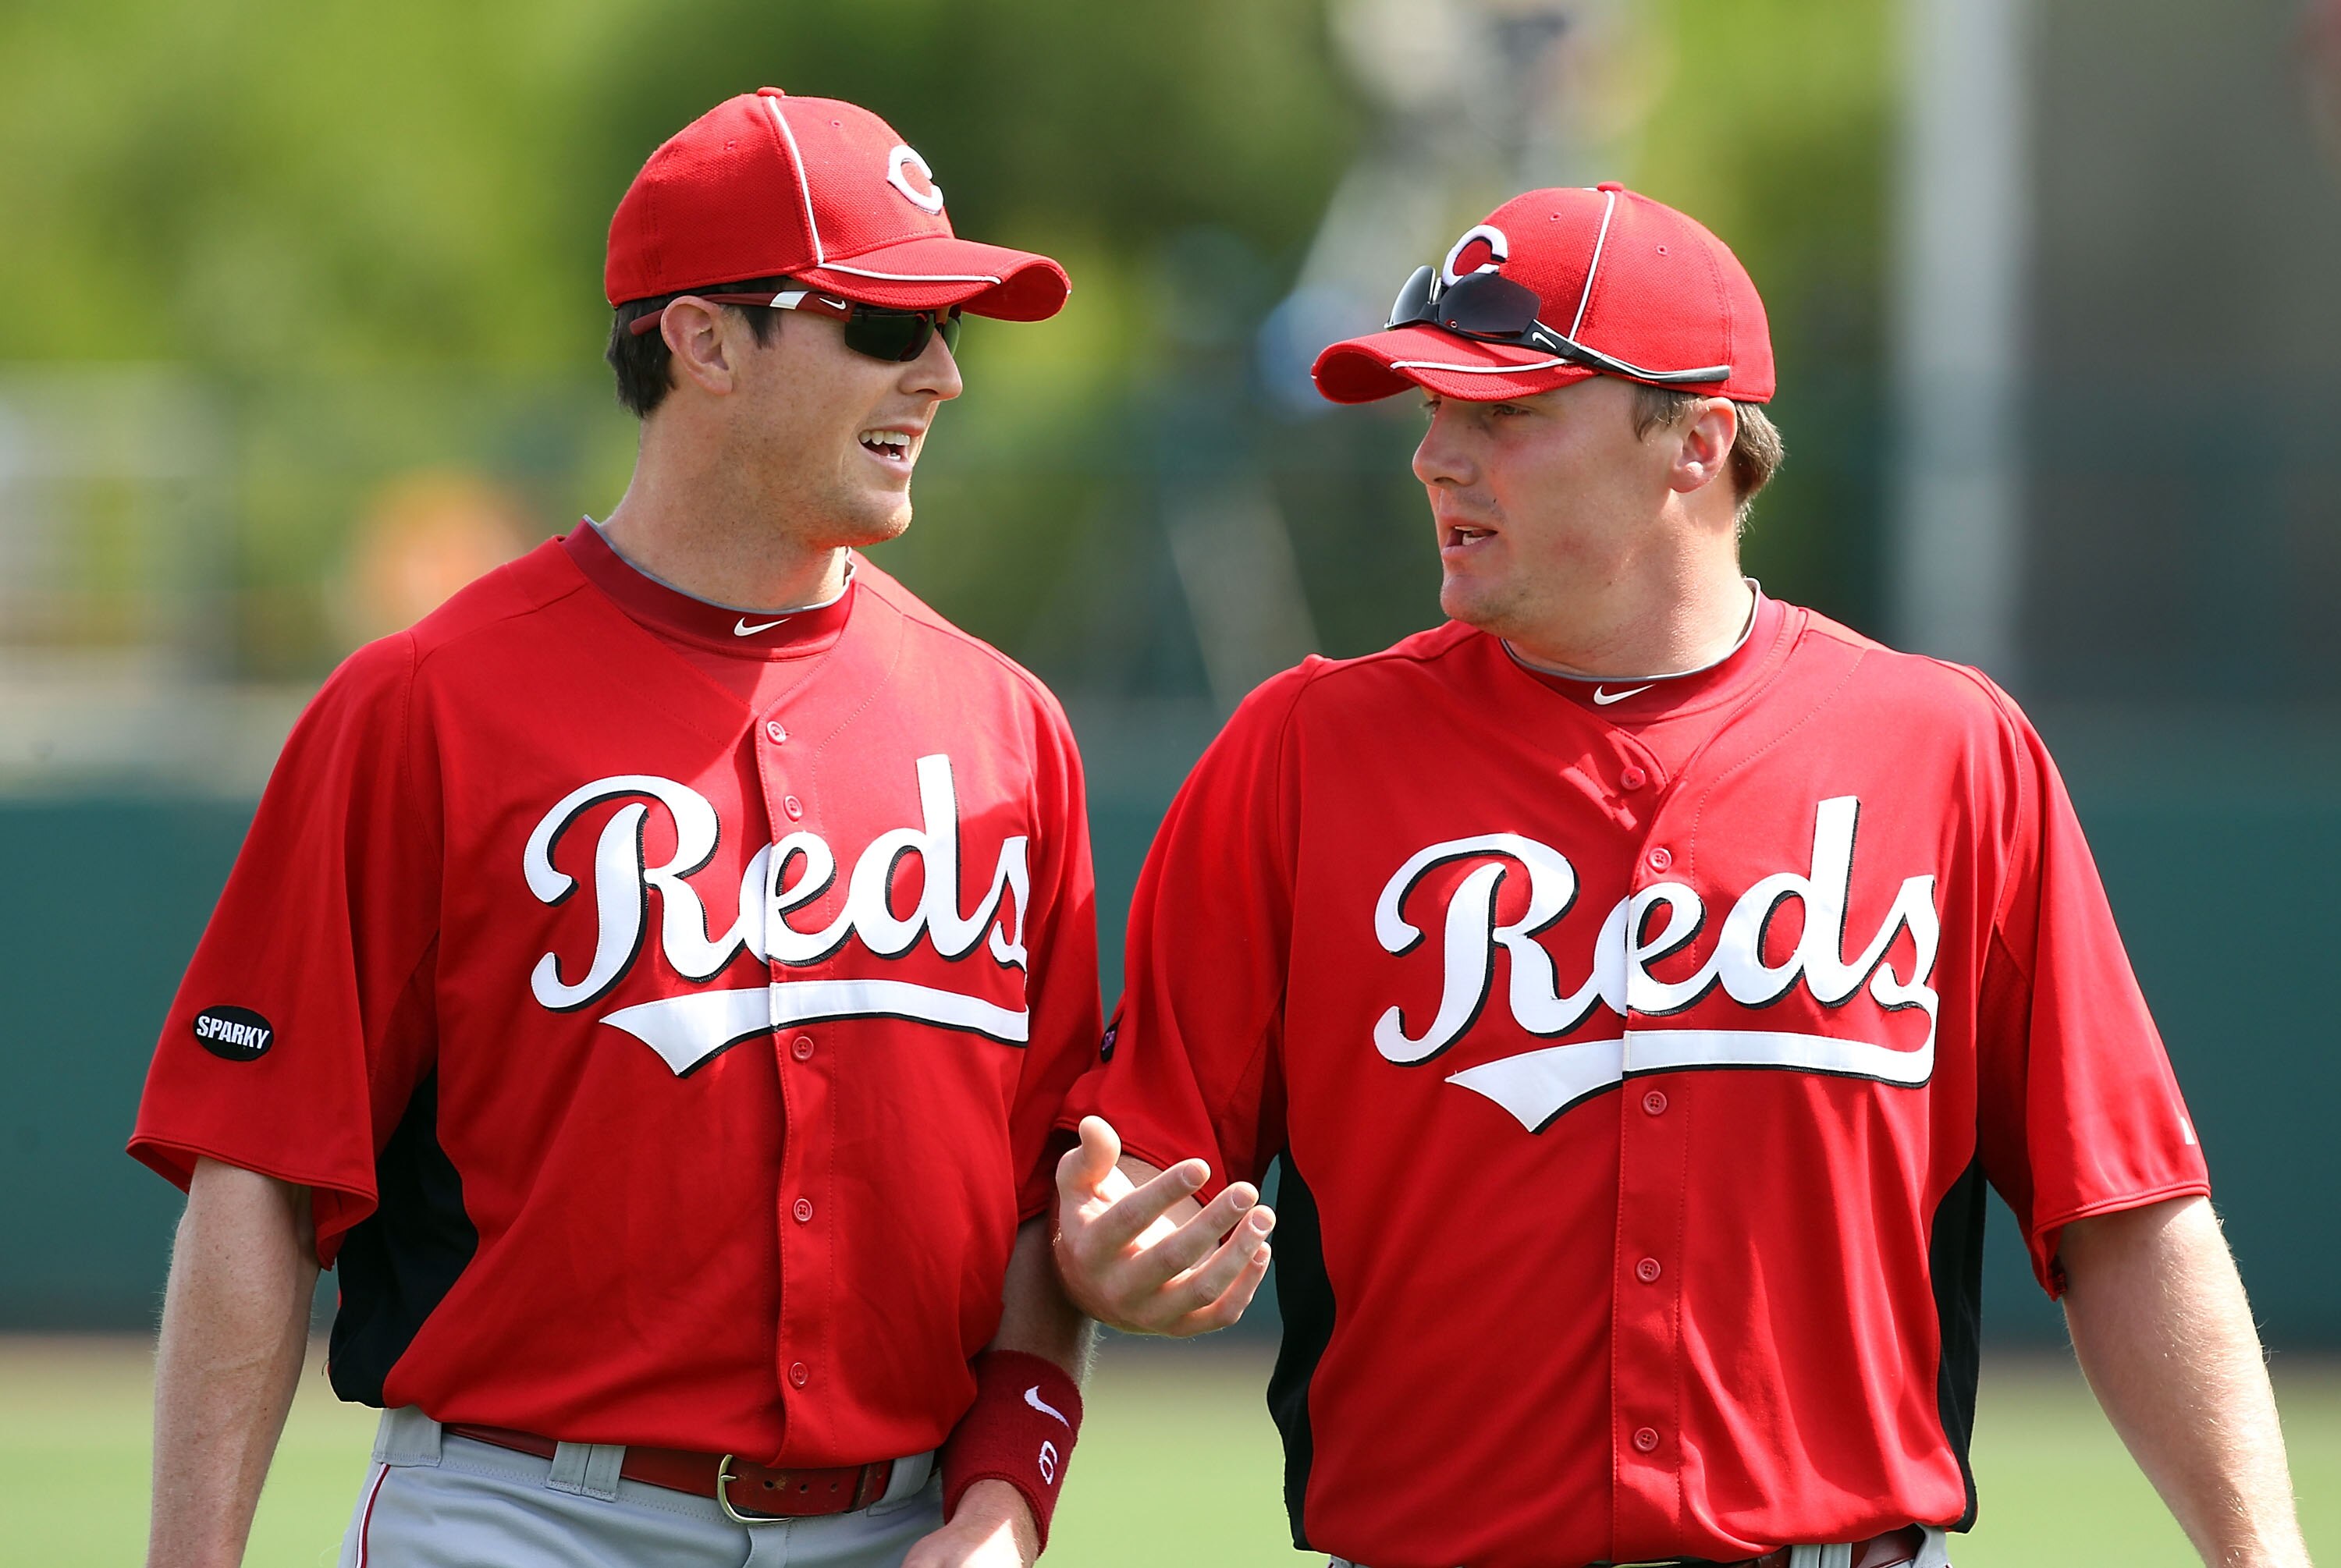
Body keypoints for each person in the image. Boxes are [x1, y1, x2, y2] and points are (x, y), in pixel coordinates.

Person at [1050, 183, 2314, 1568]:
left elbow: (2124, 1209)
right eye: (1431, 409)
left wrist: (2260, 1557)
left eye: (1505, 412)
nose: (1436, 458)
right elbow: (1141, 1164)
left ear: (1695, 442)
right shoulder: (1297, 754)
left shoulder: (1947, 752)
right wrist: (1113, 1249)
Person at [130, 87, 1097, 1568]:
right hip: (523, 1516)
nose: (945, 379)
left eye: (951, 328)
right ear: (703, 340)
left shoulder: (1008, 727)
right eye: (892, 328)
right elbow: (255, 1175)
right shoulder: (425, 705)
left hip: (899, 1524)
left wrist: (1004, 1504)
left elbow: (1049, 1203)